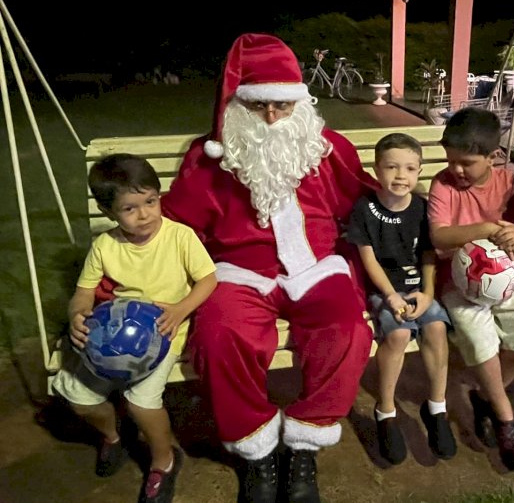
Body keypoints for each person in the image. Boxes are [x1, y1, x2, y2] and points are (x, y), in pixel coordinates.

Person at [159, 33, 379, 503]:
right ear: (239, 106)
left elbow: (368, 200)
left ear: (299, 103)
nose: (273, 117)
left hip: (317, 267)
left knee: (349, 332)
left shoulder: (328, 148)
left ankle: (304, 440)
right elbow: (176, 221)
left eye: (282, 104)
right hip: (240, 272)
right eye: (260, 106)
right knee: (219, 336)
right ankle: (256, 448)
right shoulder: (210, 157)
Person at [52, 153, 217, 503]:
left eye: (151, 202)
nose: (145, 214)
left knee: (141, 401)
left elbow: (208, 279)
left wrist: (181, 309)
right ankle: (113, 435)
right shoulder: (105, 246)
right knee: (77, 397)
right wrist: (78, 314)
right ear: (109, 212)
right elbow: (83, 293)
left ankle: (164, 460)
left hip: (163, 332)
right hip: (112, 335)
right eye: (130, 208)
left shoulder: (179, 237)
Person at [427, 107, 514, 471]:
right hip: (457, 281)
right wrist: (485, 229)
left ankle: (484, 395)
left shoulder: (509, 184)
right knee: (480, 340)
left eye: (466, 163)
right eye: (451, 161)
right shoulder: (442, 184)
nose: (456, 170)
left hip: (505, 277)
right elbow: (439, 236)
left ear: (493, 157)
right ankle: (506, 418)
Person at [347, 133, 455, 465]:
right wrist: (391, 296)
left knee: (436, 327)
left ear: (419, 171)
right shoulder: (365, 209)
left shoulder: (422, 208)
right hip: (383, 291)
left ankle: (436, 408)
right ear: (377, 169)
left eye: (410, 168)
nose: (400, 176)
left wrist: (427, 293)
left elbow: (427, 255)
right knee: (397, 334)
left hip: (417, 289)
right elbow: (369, 260)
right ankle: (386, 411)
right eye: (392, 167)